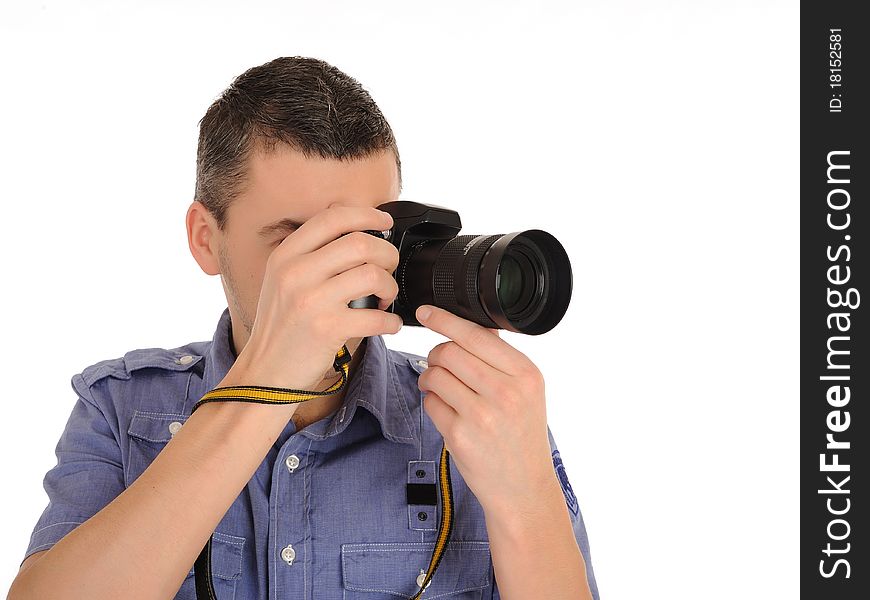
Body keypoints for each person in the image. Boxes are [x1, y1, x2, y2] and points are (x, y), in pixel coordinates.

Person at [9, 56, 599, 600]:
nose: (342, 270)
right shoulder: (121, 408)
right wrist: (265, 382)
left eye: (368, 235)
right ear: (205, 239)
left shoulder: (476, 418)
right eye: (301, 240)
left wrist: (528, 501)